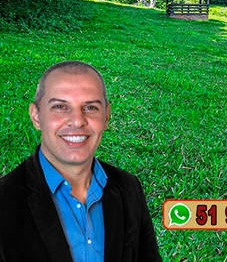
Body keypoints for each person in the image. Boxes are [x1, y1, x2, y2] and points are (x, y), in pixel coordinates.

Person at [0, 61, 162, 261]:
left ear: (106, 117)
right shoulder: (4, 200)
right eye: (60, 106)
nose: (77, 121)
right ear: (36, 116)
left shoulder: (129, 188)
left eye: (91, 107)